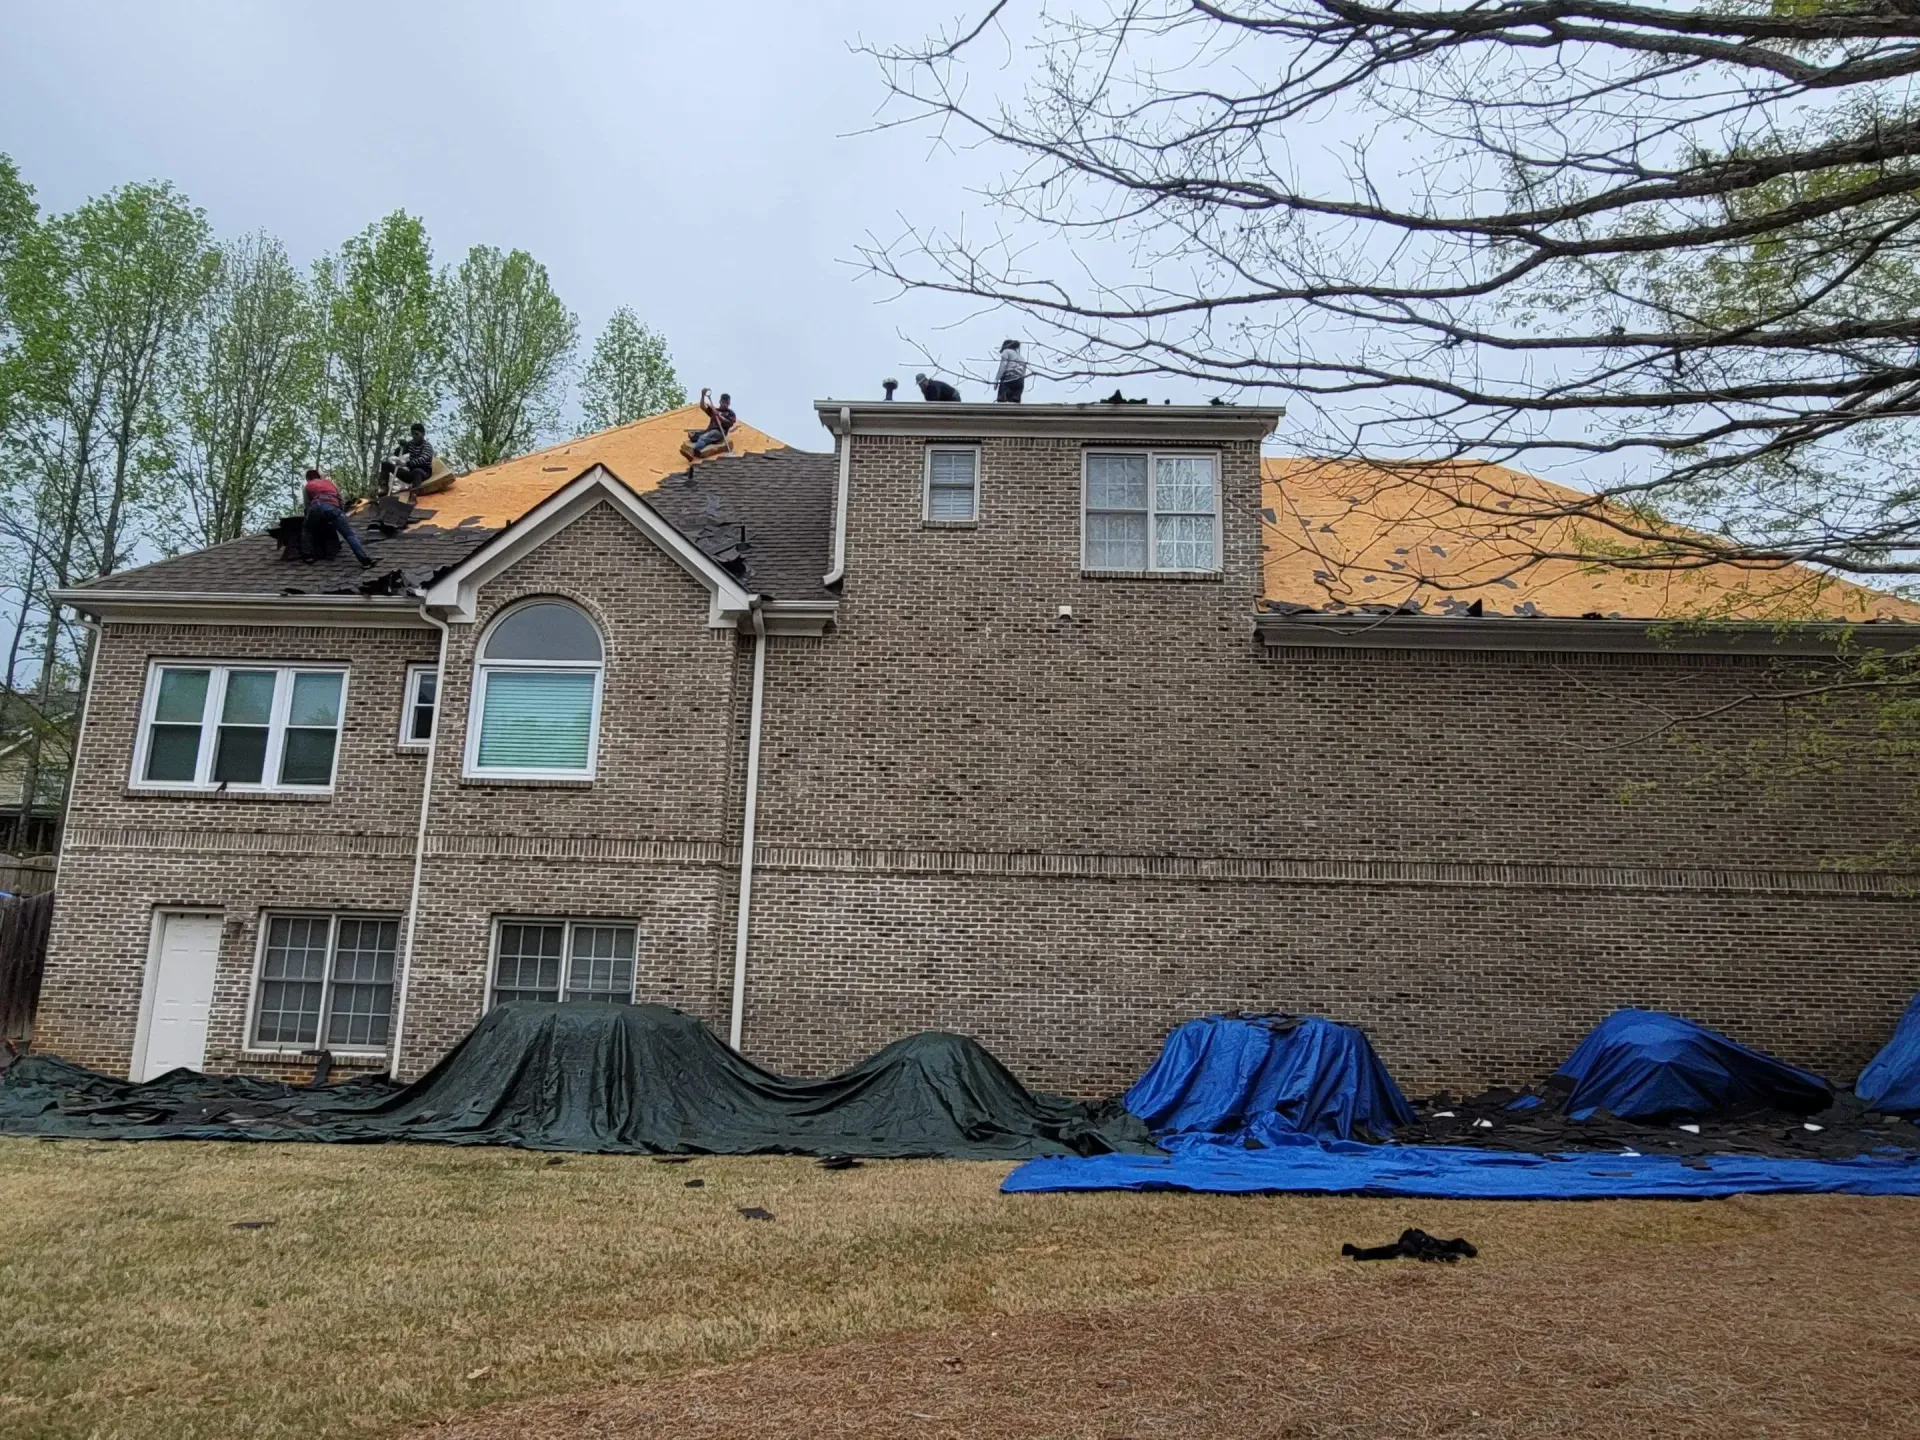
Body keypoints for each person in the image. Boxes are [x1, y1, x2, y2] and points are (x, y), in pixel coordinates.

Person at [301, 468, 375, 567]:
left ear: (308, 478)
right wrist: (340, 513)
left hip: (316, 508)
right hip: (332, 508)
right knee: (349, 535)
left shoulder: (308, 486)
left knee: (307, 529)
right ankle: (364, 560)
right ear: (319, 477)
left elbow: (307, 505)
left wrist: (309, 518)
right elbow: (341, 500)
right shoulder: (330, 484)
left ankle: (307, 555)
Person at [681, 388, 739, 459]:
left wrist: (719, 416)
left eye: (727, 403)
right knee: (693, 435)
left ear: (729, 404)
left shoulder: (730, 413)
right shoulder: (714, 410)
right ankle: (693, 446)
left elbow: (729, 423)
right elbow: (703, 407)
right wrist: (702, 395)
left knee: (703, 437)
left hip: (719, 432)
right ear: (720, 402)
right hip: (709, 430)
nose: (725, 404)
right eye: (723, 402)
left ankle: (694, 452)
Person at [381, 422, 435, 492]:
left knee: (417, 471)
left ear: (423, 434)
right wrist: (401, 446)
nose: (414, 436)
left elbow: (422, 459)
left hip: (424, 473)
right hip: (411, 474)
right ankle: (384, 489)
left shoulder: (427, 446)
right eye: (412, 434)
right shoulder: (411, 444)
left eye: (417, 434)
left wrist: (405, 464)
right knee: (385, 465)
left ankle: (414, 494)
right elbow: (397, 453)